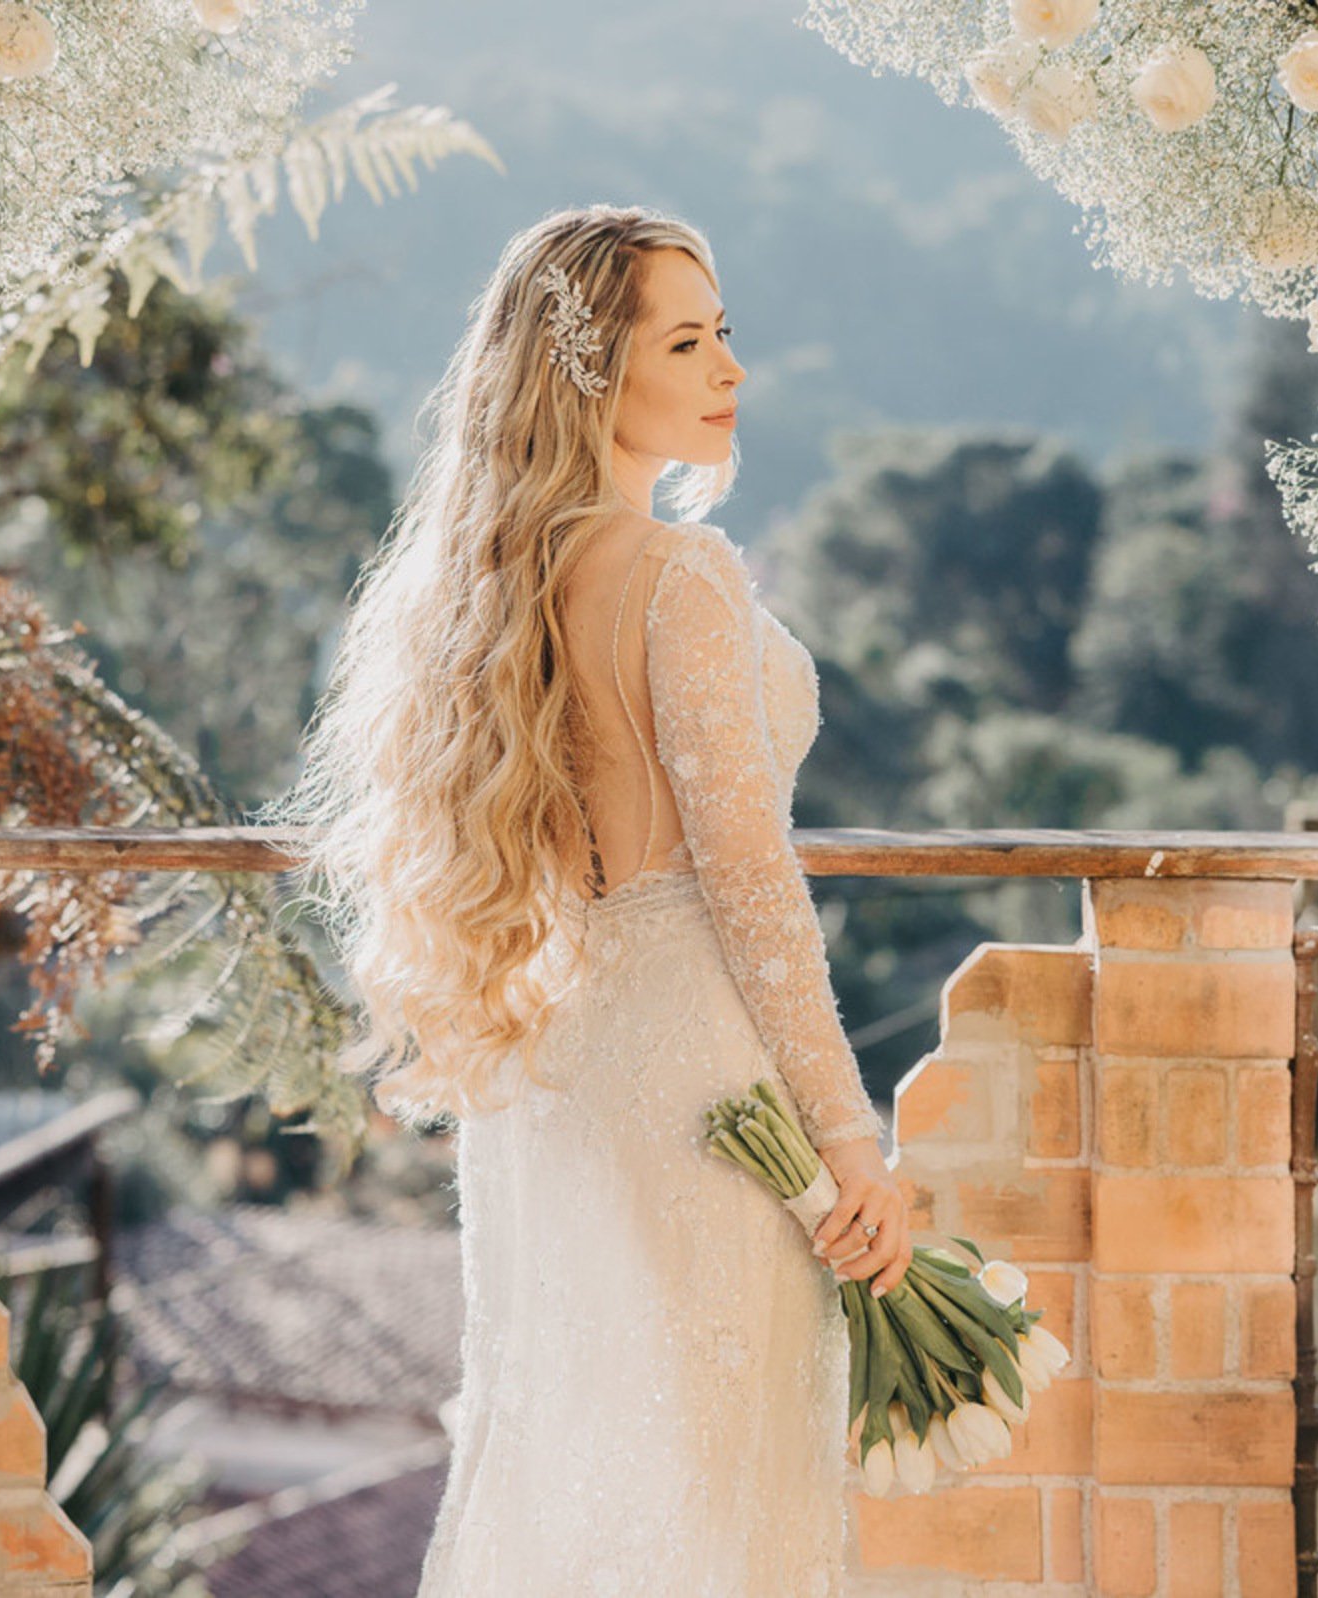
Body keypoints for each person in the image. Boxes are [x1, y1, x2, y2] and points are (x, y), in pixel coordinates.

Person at [266, 204, 909, 1596]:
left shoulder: (488, 584)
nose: (730, 366)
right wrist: (849, 1139)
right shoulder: (681, 574)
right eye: (685, 342)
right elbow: (749, 880)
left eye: (723, 331)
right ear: (590, 372)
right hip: (701, 1075)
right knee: (721, 1500)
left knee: (577, 1469)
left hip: (555, 1064)